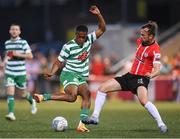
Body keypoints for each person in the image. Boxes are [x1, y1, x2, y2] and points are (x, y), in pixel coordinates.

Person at [83, 21, 168, 133]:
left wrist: (151, 75)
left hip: (141, 79)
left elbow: (157, 69)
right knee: (102, 88)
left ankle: (161, 124)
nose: (140, 37)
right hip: (129, 76)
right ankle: (95, 117)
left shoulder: (156, 49)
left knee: (143, 101)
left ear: (151, 36)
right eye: (140, 34)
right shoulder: (140, 42)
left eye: (143, 35)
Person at [33, 5, 106, 132]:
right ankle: (43, 97)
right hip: (69, 74)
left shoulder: (89, 39)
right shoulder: (68, 46)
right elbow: (58, 61)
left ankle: (81, 124)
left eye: (84, 37)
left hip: (81, 76)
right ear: (75, 35)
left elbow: (102, 28)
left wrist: (98, 15)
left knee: (87, 95)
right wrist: (51, 72)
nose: (82, 39)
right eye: (80, 36)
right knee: (72, 97)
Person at [3, 23, 37, 121]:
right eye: (12, 29)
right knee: (10, 92)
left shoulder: (23, 42)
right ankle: (11, 113)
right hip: (9, 71)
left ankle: (32, 101)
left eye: (16, 29)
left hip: (20, 73)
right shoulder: (7, 43)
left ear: (19, 31)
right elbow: (9, 54)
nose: (14, 31)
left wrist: (18, 54)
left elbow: (30, 56)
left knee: (23, 94)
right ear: (9, 31)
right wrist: (5, 61)